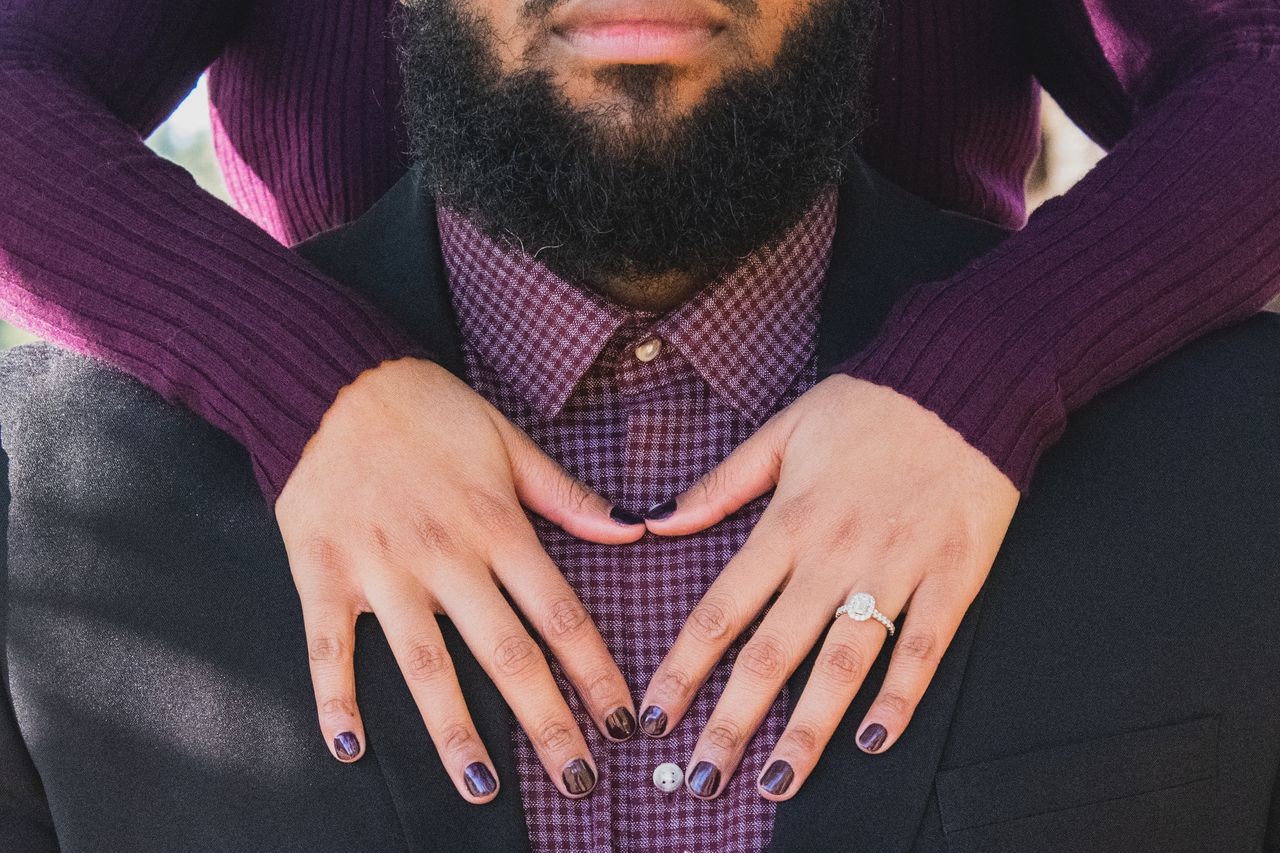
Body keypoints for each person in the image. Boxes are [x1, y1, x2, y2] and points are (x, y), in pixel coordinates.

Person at [3, 0, 1280, 850]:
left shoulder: (1218, 480)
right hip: (303, 489)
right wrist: (299, 377)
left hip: (956, 458)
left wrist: (987, 367)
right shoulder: (61, 524)